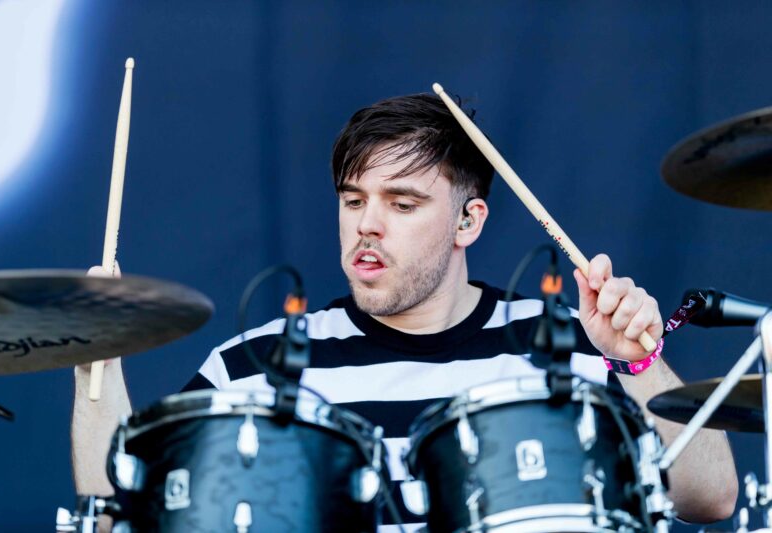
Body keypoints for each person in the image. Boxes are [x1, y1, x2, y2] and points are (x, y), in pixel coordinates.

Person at [72, 93, 738, 530]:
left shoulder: (571, 345)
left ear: (468, 220)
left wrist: (637, 362)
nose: (368, 224)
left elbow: (710, 497)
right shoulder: (253, 367)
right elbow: (115, 520)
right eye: (353, 200)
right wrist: (97, 363)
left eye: (402, 203)